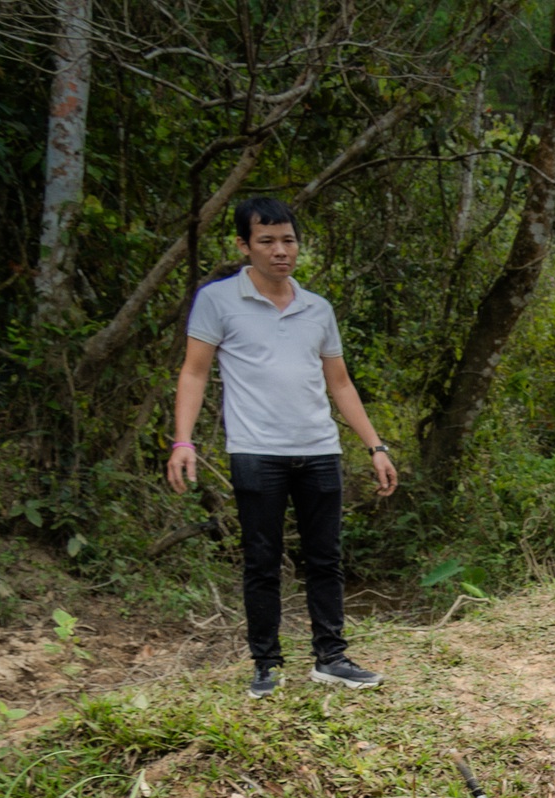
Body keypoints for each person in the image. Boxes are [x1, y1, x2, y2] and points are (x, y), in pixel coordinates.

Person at [167, 196, 395, 700]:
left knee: (326, 557)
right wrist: (183, 440)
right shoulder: (218, 301)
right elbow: (194, 371)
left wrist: (375, 446)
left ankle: (331, 658)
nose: (279, 250)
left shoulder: (318, 309)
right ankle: (266, 665)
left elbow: (340, 384)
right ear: (244, 245)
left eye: (287, 240)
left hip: (319, 448)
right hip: (255, 451)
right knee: (262, 560)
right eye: (266, 241)